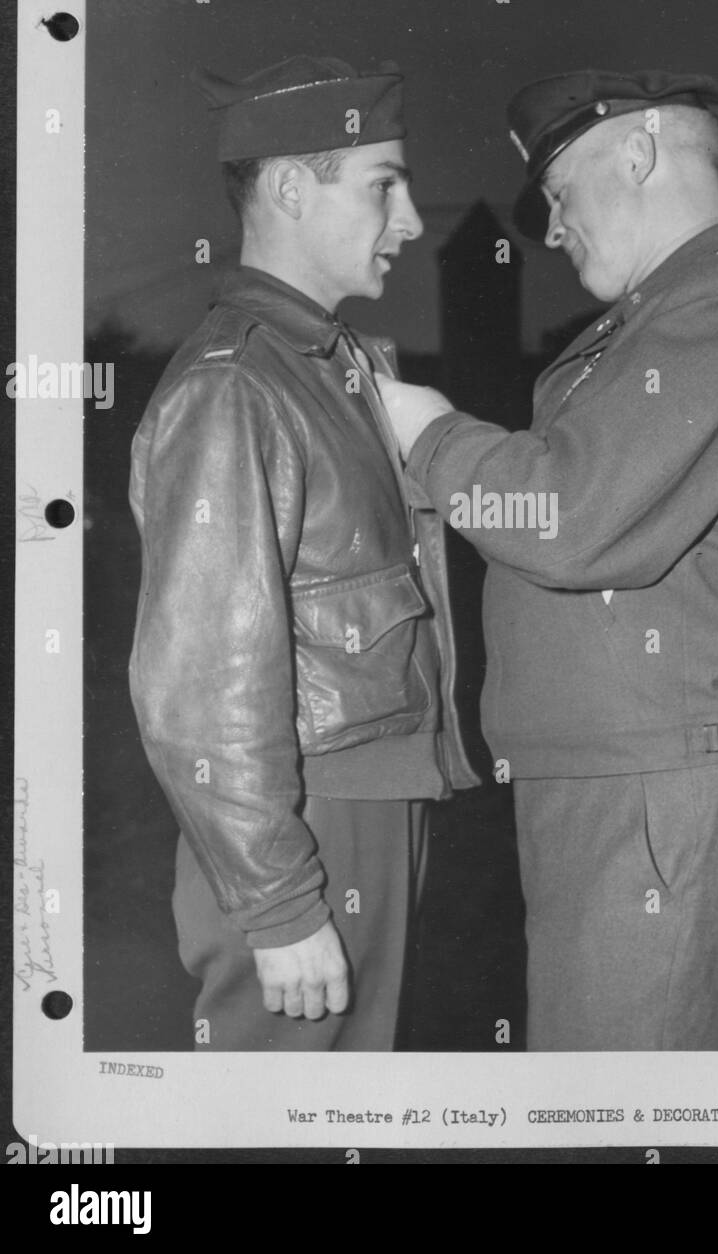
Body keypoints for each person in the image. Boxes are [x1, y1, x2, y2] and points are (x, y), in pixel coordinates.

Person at [376, 69, 718, 1050]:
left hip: (662, 795)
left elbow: (572, 515)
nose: (550, 229)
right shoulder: (657, 322)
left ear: (637, 154)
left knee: (619, 1124)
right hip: (631, 788)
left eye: (558, 194)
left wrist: (429, 433)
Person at [129, 55, 478, 1051]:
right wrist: (280, 903)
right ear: (289, 187)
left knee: (341, 1111)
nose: (410, 220)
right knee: (277, 1113)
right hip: (307, 815)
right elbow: (198, 680)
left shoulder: (332, 371)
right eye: (383, 184)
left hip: (362, 794)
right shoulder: (235, 387)